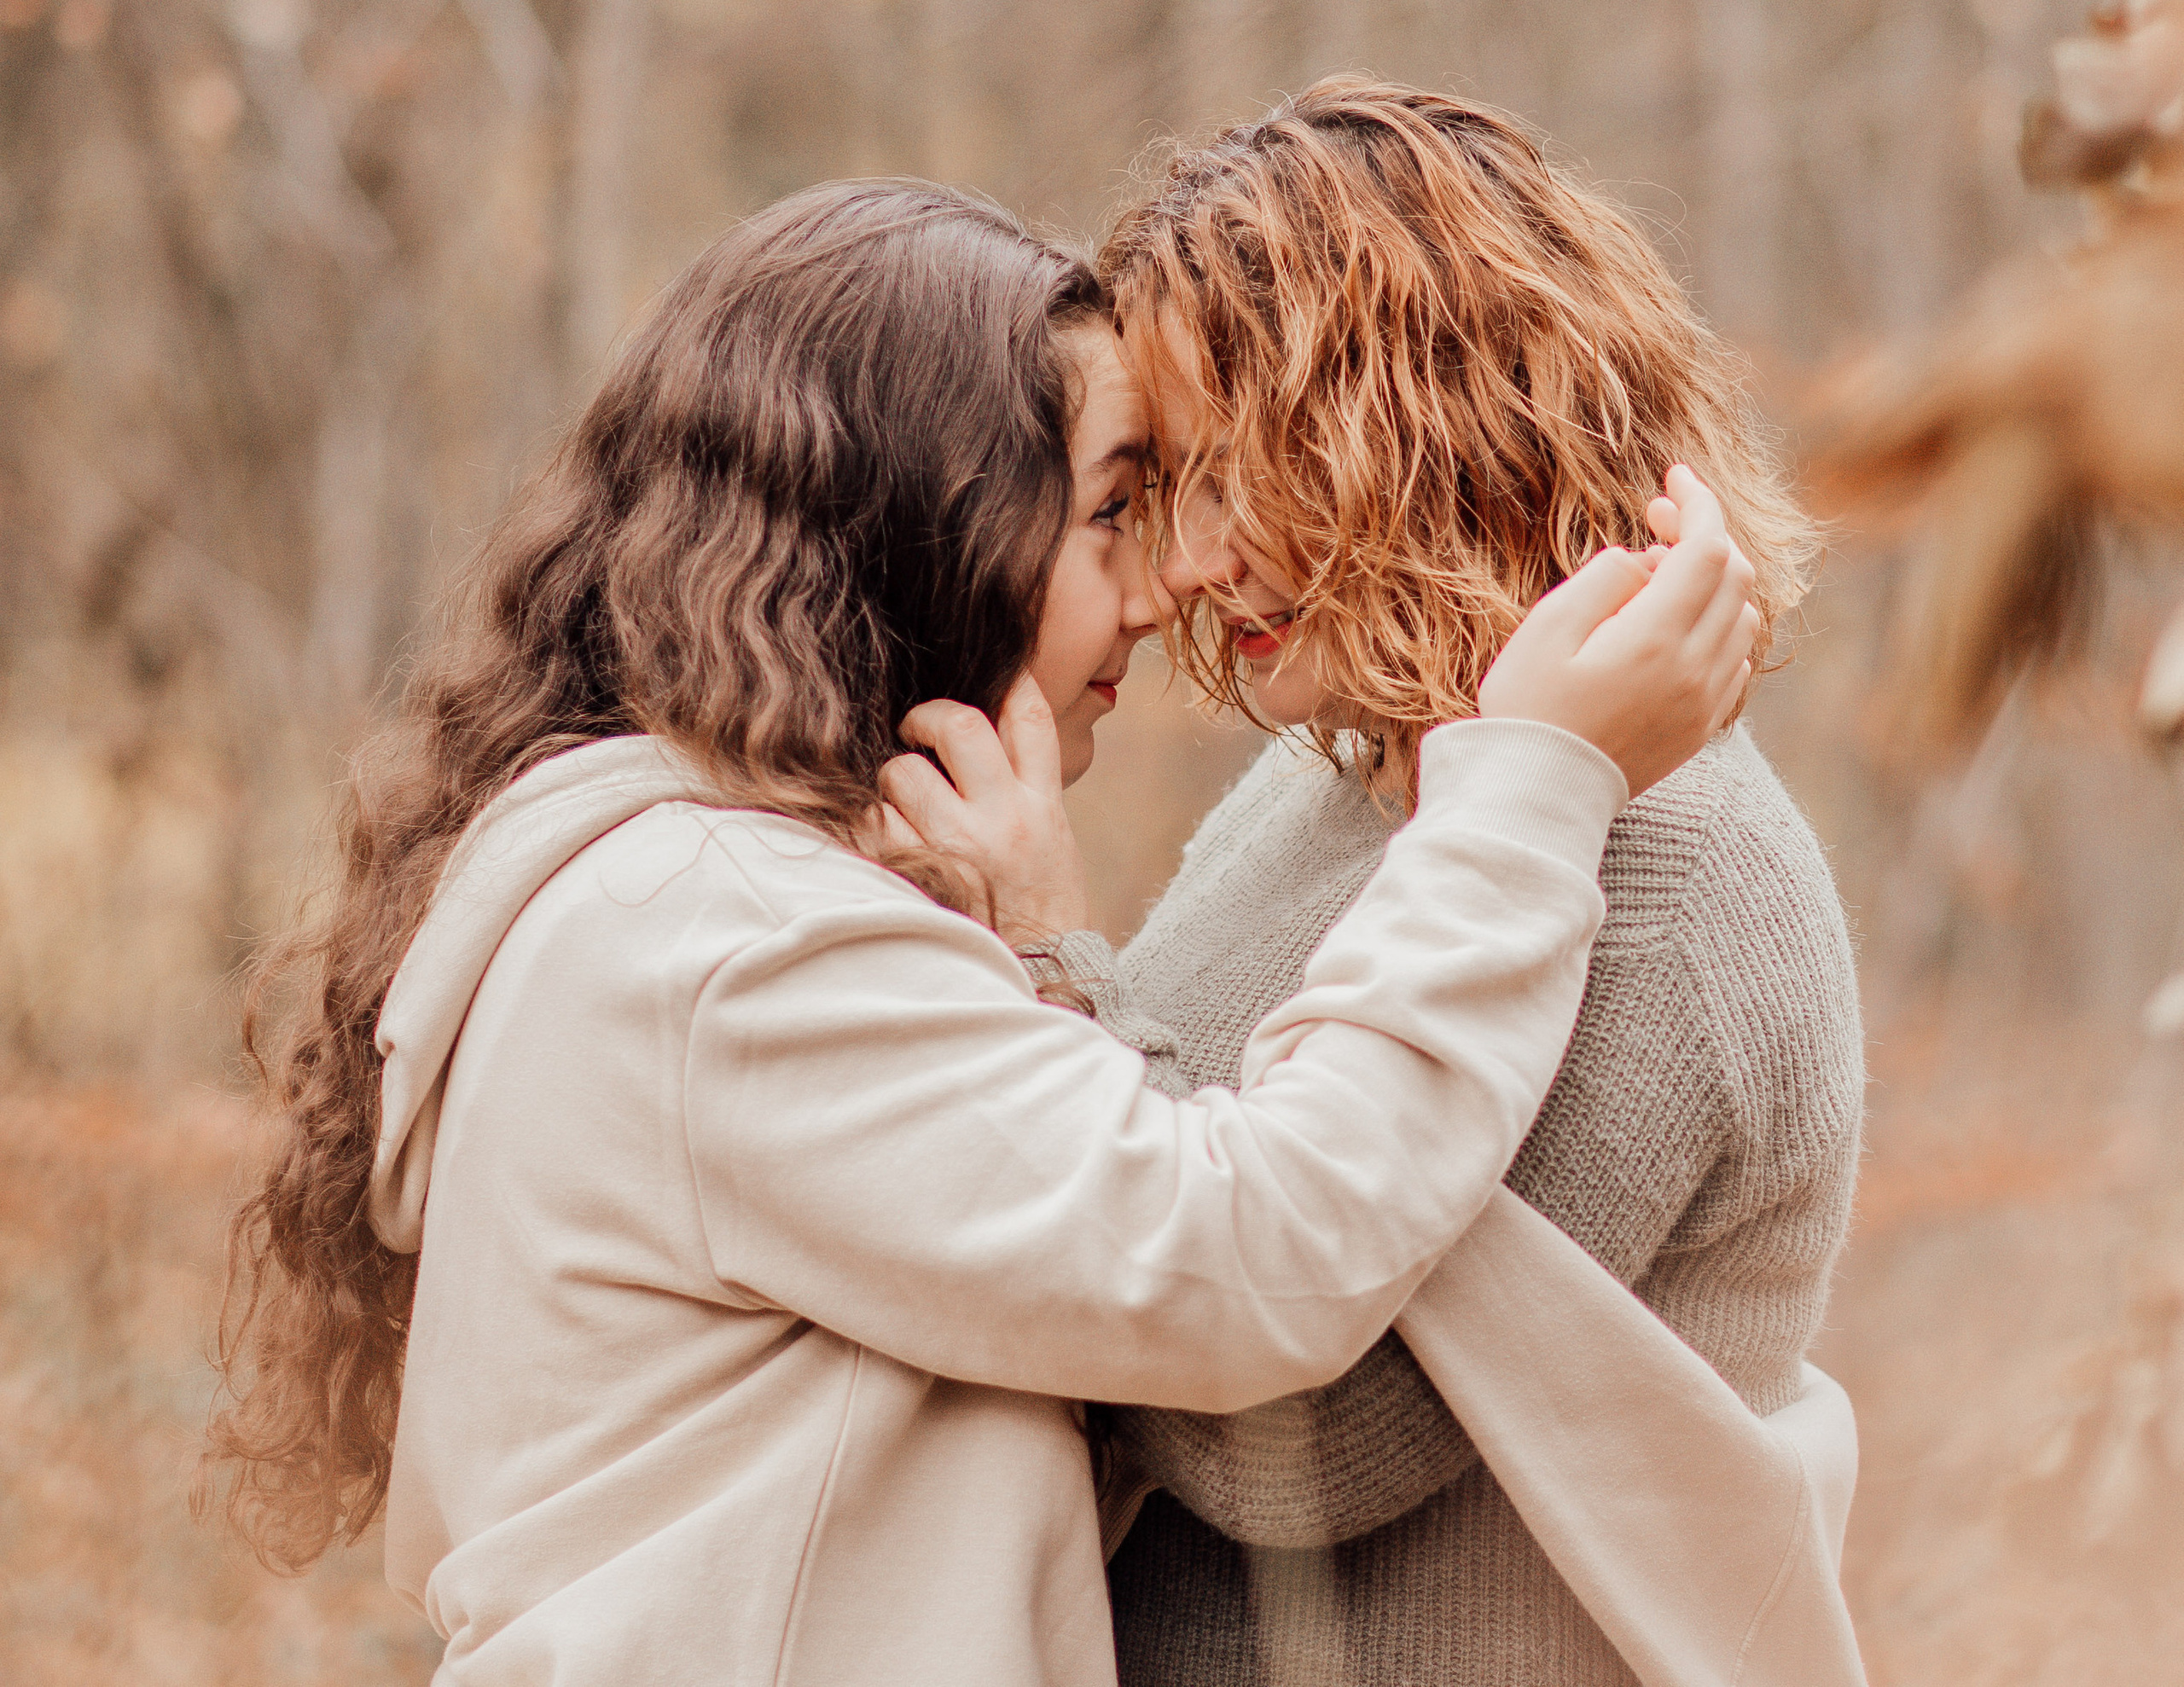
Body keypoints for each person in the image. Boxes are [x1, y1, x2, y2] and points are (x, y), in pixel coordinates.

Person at [204, 176, 1758, 1687]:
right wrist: (1533, 787)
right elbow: (1250, 1254)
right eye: (1112, 512)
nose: (1160, 591)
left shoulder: (681, 896)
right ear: (926, 532)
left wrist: (1031, 955)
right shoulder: (728, 946)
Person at [1064, 81, 1862, 1687]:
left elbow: (1286, 1437)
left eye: (1237, 477)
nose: (1192, 566)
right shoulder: (1335, 777)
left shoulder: (1673, 873)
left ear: (1417, 432)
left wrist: (1035, 952)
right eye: (1166, 494)